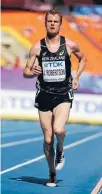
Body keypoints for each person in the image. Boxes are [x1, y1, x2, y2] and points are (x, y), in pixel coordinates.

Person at [23, 8, 87, 187]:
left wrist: (76, 77)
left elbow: (83, 59)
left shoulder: (70, 45)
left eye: (55, 21)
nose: (52, 24)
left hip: (63, 94)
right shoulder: (37, 47)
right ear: (45, 24)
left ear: (60, 24)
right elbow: (26, 71)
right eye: (49, 21)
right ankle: (52, 173)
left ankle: (61, 149)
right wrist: (32, 71)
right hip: (44, 94)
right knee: (48, 138)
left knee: (59, 130)